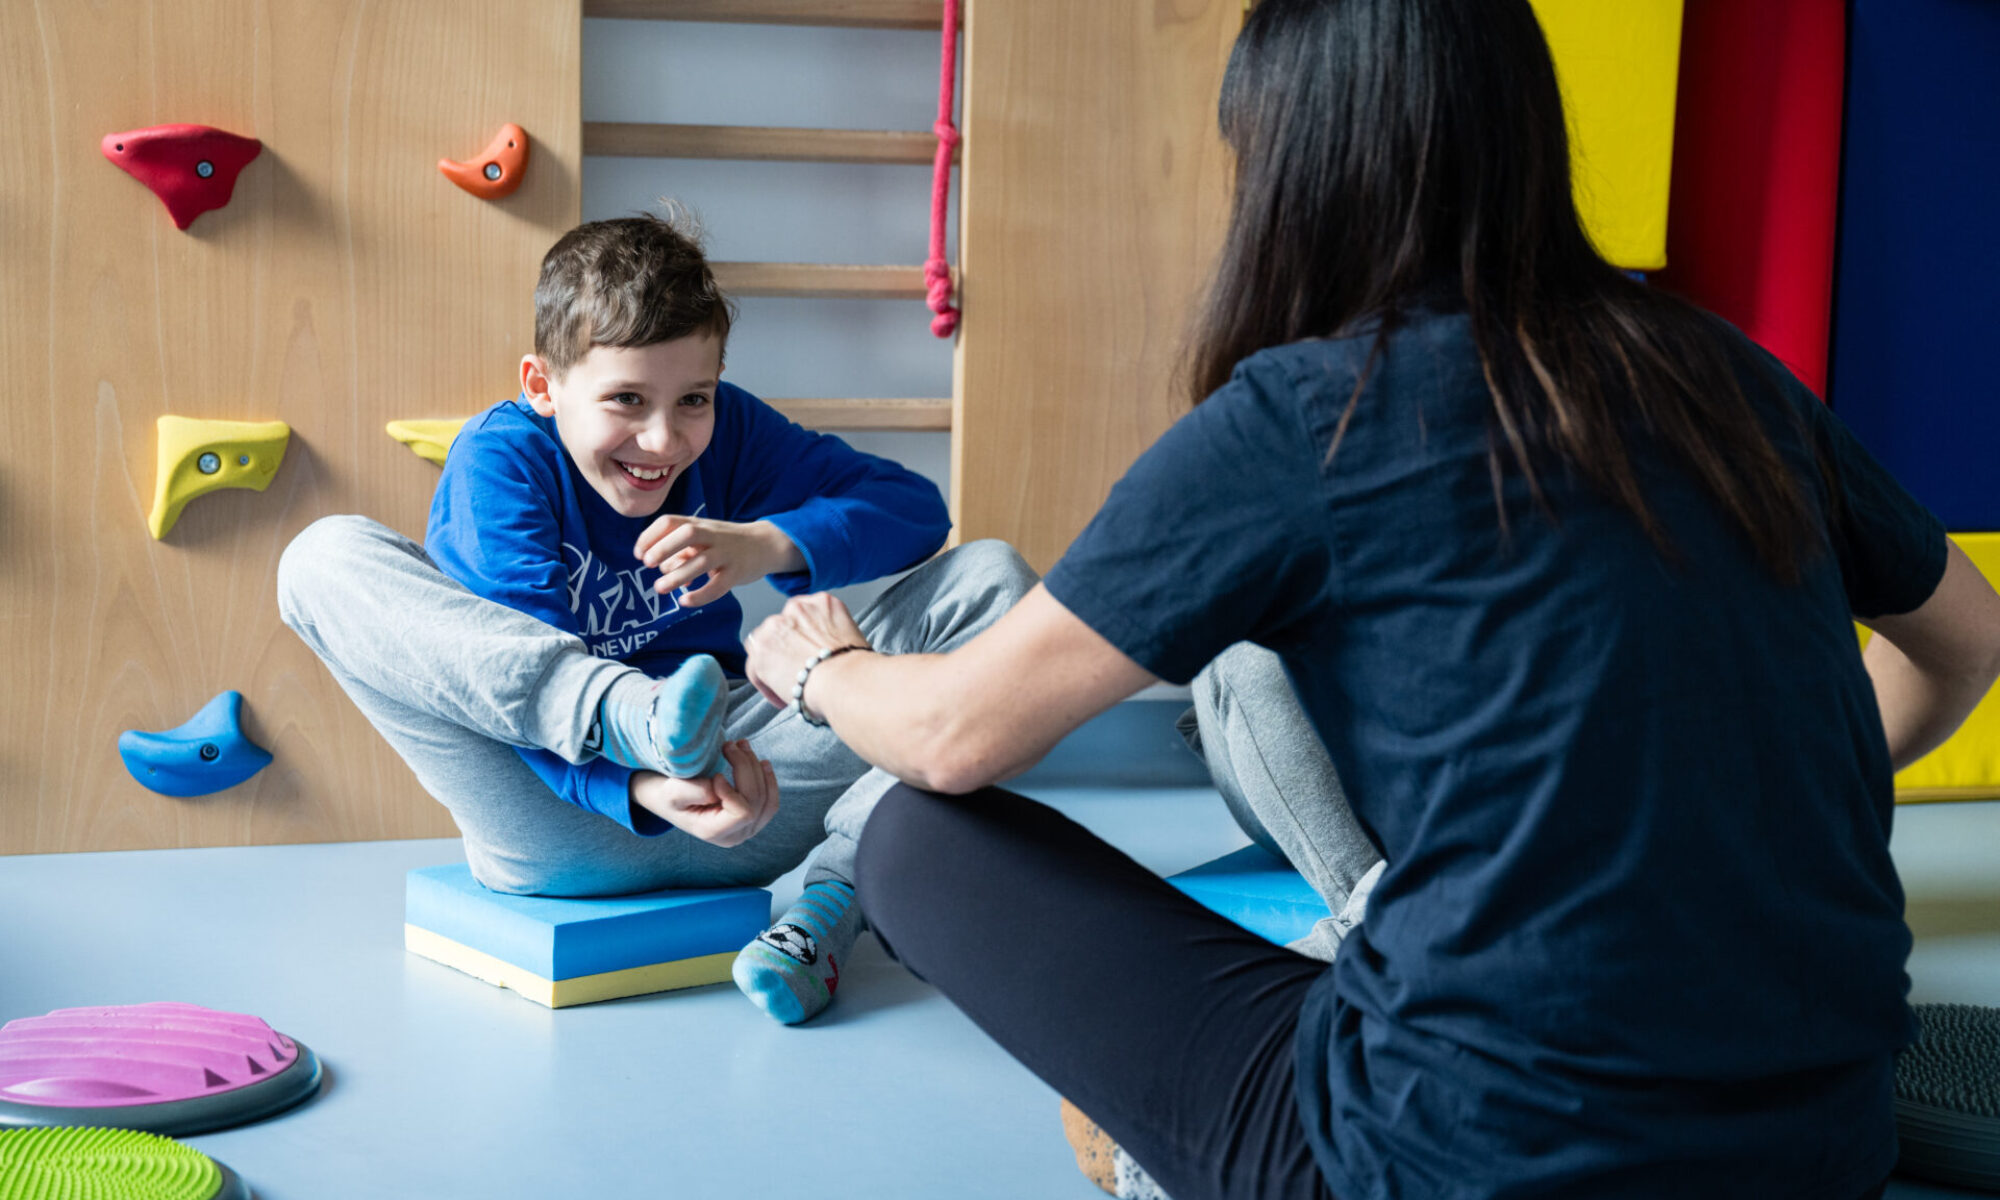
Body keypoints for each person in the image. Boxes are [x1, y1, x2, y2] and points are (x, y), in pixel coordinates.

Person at [736, 0, 2000, 1196]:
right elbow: (1966, 642)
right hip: (1824, 1148)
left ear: (1287, 168)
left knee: (912, 838)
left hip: (1454, 1161)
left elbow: (953, 738)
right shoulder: (1726, 371)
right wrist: (1722, 820)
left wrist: (818, 665)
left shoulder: (1303, 413)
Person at [276, 212, 1035, 1026]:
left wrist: (767, 543)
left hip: (746, 797)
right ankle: (634, 718)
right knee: (322, 557)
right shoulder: (501, 459)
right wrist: (638, 777)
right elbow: (512, 694)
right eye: (626, 400)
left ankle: (830, 908)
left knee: (993, 579)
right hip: (557, 817)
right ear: (542, 386)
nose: (663, 438)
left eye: (693, 400)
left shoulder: (728, 434)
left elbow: (915, 510)